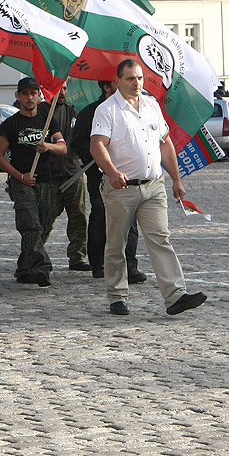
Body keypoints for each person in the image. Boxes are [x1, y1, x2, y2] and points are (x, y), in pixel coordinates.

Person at [90, 59, 207, 316]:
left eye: (140, 78)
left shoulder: (152, 105)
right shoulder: (107, 110)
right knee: (117, 243)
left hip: (154, 187)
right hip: (121, 189)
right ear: (117, 81)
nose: (137, 83)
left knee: (160, 238)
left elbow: (165, 143)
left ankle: (175, 295)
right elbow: (97, 145)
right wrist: (111, 172)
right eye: (131, 78)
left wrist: (176, 179)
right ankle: (117, 295)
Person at [0, 77, 67, 288]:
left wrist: (49, 147)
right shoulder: (11, 124)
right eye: (24, 93)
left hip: (46, 181)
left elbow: (63, 147)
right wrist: (19, 176)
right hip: (22, 182)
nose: (29, 97)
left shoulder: (47, 118)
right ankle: (42, 268)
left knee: (43, 226)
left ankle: (25, 268)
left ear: (38, 95)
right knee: (30, 225)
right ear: (18, 97)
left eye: (33, 93)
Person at [70, 80, 146, 283]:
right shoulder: (91, 112)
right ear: (107, 87)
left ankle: (130, 266)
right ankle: (98, 263)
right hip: (100, 174)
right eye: (119, 81)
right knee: (101, 215)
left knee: (130, 220)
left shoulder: (133, 110)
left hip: (128, 174)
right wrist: (98, 156)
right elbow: (78, 142)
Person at [48, 83, 90, 271]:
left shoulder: (73, 112)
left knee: (78, 217)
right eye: (58, 88)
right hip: (50, 174)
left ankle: (78, 256)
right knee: (46, 216)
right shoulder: (42, 113)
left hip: (73, 172)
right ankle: (33, 253)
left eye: (65, 88)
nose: (62, 92)